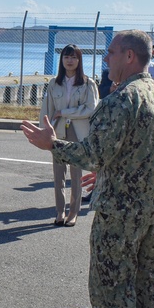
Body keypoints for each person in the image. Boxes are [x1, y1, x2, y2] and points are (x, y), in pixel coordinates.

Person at [22, 30, 154, 308]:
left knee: (112, 285)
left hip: (121, 209)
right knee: (146, 279)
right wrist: (113, 167)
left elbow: (92, 152)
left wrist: (53, 145)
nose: (105, 59)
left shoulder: (120, 99)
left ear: (129, 56)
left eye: (110, 53)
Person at [41, 44, 99, 227]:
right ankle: (59, 211)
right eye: (66, 57)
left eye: (74, 57)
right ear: (62, 60)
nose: (70, 60)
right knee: (58, 174)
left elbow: (91, 108)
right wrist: (44, 130)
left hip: (78, 132)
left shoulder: (88, 83)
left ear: (80, 60)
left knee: (76, 174)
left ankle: (73, 212)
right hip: (58, 131)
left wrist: (65, 112)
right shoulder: (53, 83)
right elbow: (47, 110)